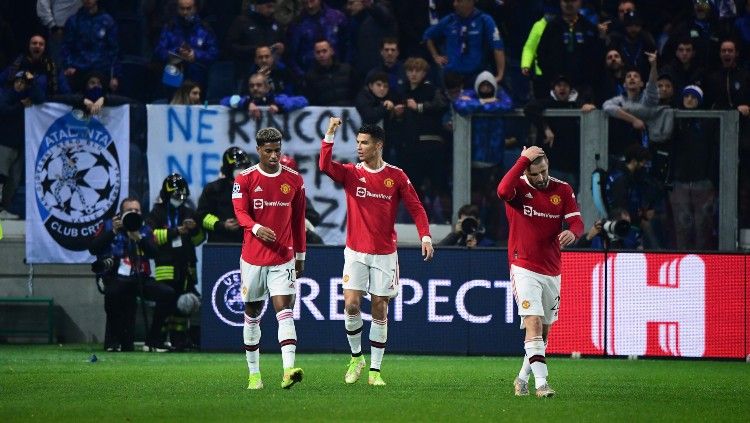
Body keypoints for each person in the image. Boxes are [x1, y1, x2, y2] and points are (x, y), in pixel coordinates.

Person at [319, 117, 434, 386]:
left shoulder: (396, 176)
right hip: (355, 252)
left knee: (380, 309)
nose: (359, 147)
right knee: (351, 304)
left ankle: (375, 371)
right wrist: (330, 132)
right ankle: (356, 357)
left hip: (384, 254)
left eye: (364, 143)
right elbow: (324, 165)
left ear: (378, 146)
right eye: (358, 142)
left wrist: (425, 236)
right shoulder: (350, 172)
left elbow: (416, 207)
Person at [496, 146, 584, 398]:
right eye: (535, 174)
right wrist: (522, 159)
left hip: (552, 269)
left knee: (543, 333)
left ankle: (522, 378)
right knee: (532, 322)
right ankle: (542, 384)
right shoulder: (517, 190)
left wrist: (573, 232)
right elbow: (502, 190)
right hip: (523, 266)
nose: (542, 177)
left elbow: (577, 220)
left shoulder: (562, 189)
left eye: (544, 171)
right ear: (525, 172)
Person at [232, 127, 306, 390]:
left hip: (283, 258)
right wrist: (255, 228)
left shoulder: (295, 180)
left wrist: (300, 255)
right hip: (252, 258)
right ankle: (254, 375)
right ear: (259, 150)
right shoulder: (245, 179)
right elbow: (240, 213)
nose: (274, 156)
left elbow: (299, 221)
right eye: (268, 151)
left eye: (277, 150)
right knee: (252, 313)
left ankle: (288, 371)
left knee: (284, 309)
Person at [88, 197, 177, 352]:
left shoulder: (145, 229)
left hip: (140, 278)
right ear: (121, 213)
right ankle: (113, 341)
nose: (134, 213)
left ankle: (153, 341)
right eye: (130, 211)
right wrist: (113, 231)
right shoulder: (109, 225)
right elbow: (93, 248)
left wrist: (140, 239)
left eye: (137, 210)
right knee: (112, 293)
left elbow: (155, 253)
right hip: (117, 277)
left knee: (168, 293)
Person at [146, 174, 205, 351]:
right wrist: (174, 232)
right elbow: (151, 237)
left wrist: (195, 230)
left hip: (187, 266)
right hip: (166, 266)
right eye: (175, 196)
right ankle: (158, 339)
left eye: (182, 196)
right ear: (166, 195)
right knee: (166, 302)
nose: (179, 199)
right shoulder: (157, 213)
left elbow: (199, 240)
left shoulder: (189, 212)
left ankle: (179, 340)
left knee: (185, 303)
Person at [423, 0, 506, 85]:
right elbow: (428, 35)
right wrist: (435, 56)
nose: (455, 4)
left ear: (471, 2)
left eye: (459, 1)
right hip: (451, 76)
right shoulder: (449, 20)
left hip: (476, 76)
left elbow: (498, 47)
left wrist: (500, 74)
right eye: (454, 1)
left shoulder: (484, 20)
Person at [60, 0, 120, 93]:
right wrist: (68, 66)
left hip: (101, 70)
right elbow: (66, 46)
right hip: (78, 69)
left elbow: (114, 51)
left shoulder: (108, 21)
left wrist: (115, 76)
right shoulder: (73, 21)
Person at [197, 147, 253, 244]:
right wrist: (222, 225)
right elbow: (202, 217)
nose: (242, 171)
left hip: (247, 246)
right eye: (238, 167)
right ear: (228, 169)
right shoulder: (213, 189)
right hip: (218, 245)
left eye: (244, 167)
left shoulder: (253, 189)